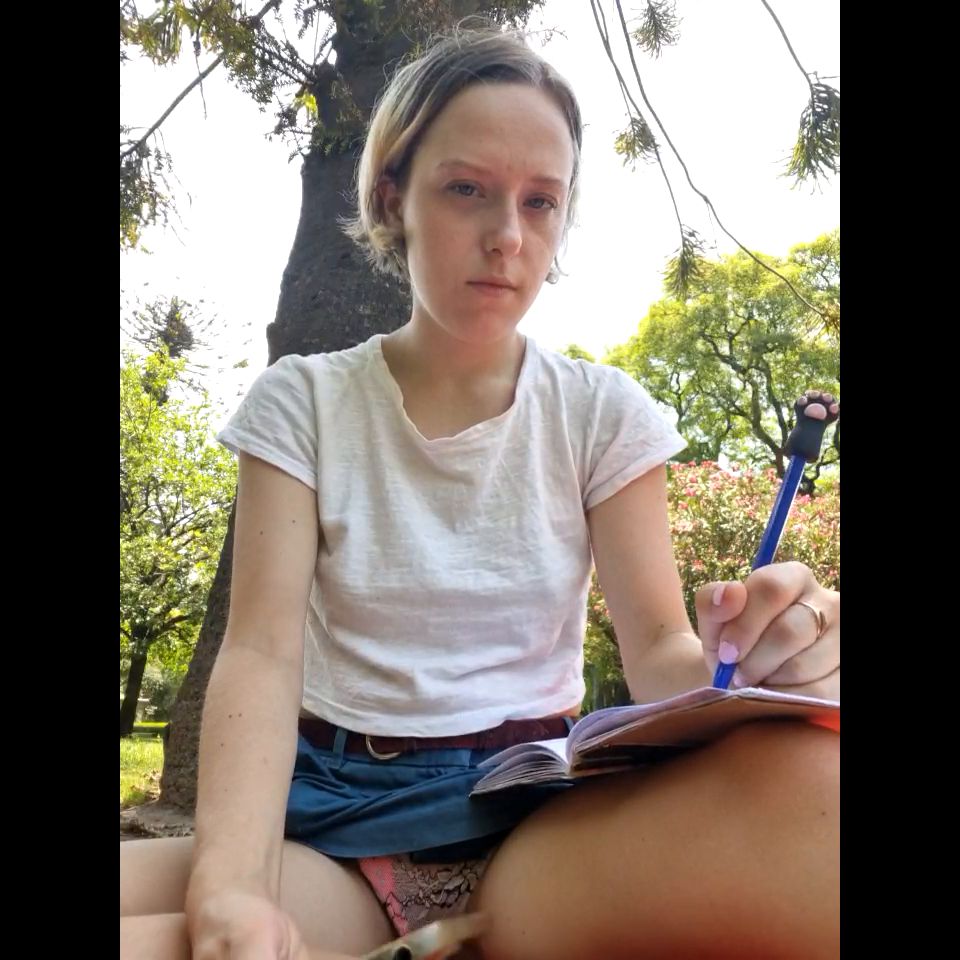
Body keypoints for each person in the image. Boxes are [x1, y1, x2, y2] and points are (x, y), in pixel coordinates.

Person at [120, 23, 839, 960]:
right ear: (394, 197)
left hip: (535, 830)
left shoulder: (603, 414)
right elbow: (260, 652)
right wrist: (231, 892)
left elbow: (662, 652)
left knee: (817, 776)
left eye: (541, 202)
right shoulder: (304, 401)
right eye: (467, 189)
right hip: (331, 829)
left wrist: (762, 662)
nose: (507, 236)